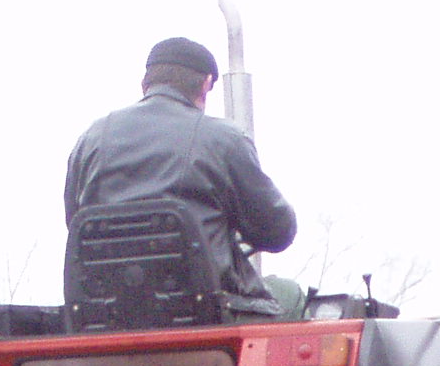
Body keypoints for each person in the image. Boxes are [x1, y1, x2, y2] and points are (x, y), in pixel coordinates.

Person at [64, 37, 302, 321]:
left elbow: (75, 221)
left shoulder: (91, 139)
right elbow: (277, 231)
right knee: (291, 298)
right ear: (205, 85)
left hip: (102, 316)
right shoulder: (223, 139)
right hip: (207, 317)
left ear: (145, 85)